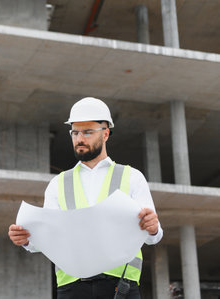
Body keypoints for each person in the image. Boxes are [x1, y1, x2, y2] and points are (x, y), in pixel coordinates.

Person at [8, 97, 163, 299]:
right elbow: (48, 238)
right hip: (72, 288)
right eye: (75, 132)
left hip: (121, 285)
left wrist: (152, 227)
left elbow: (154, 237)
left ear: (105, 133)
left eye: (88, 132)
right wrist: (27, 239)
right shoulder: (58, 184)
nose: (80, 138)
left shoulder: (132, 177)